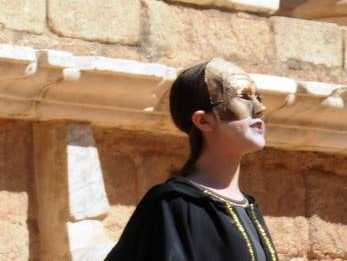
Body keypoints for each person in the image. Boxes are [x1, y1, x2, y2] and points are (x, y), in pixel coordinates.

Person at [106, 58, 278, 260]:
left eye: (258, 97)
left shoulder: (248, 207)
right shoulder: (174, 203)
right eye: (244, 97)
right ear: (203, 120)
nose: (260, 108)